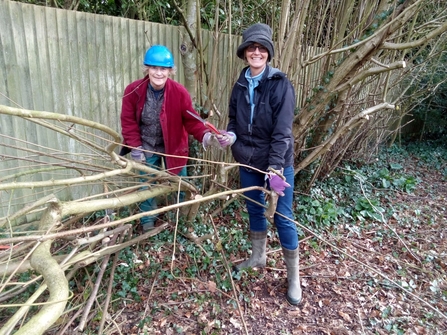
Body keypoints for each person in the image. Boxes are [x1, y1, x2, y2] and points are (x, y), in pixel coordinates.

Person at [220, 23, 302, 305]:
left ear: (268, 53)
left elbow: (283, 132)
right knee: (255, 209)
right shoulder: (240, 85)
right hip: (248, 163)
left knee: (283, 217)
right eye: (251, 48)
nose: (256, 52)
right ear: (244, 53)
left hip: (277, 165)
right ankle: (258, 256)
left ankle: (294, 278)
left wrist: (276, 167)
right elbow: (233, 120)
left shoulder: (281, 85)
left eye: (261, 48)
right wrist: (230, 136)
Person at [120, 45, 231, 231]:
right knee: (146, 185)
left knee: (180, 185)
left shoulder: (179, 93)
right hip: (146, 146)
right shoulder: (134, 90)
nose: (158, 73)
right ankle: (148, 220)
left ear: (170, 71)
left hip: (174, 148)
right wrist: (135, 147)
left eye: (163, 69)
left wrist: (207, 136)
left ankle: (179, 218)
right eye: (154, 68)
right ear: (146, 69)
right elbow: (128, 121)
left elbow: (191, 120)